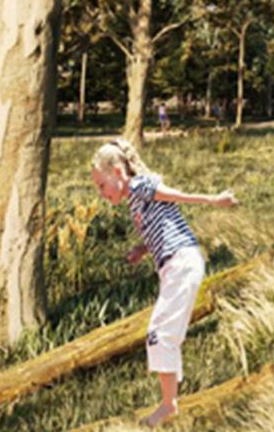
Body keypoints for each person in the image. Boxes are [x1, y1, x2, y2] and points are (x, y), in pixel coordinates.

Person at [91, 139, 239, 426]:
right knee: (164, 333)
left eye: (101, 185)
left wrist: (213, 199)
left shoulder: (138, 186)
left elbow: (175, 196)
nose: (101, 193)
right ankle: (170, 402)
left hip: (181, 263)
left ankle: (168, 406)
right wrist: (142, 249)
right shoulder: (135, 197)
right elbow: (162, 222)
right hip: (175, 265)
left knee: (160, 334)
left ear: (118, 172)